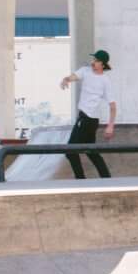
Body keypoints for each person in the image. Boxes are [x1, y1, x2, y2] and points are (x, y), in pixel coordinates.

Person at [55, 49, 116, 179]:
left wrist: (110, 126)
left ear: (103, 64)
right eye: (93, 60)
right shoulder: (85, 71)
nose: (93, 63)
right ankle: (106, 178)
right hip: (85, 118)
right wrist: (66, 79)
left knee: (70, 151)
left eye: (96, 61)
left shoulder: (105, 81)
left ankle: (81, 180)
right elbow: (73, 77)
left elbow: (113, 106)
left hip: (89, 120)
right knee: (91, 151)